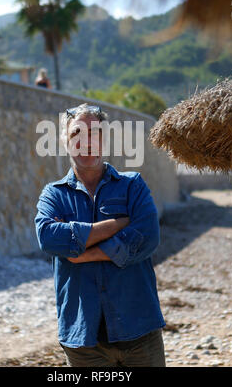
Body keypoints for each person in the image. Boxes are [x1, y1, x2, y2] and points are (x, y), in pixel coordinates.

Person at [34, 103, 166, 367]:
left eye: (94, 132)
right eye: (76, 134)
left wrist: (84, 253)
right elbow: (48, 237)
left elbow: (147, 236)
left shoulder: (133, 186)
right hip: (83, 342)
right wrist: (117, 224)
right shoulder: (53, 194)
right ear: (65, 141)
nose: (86, 141)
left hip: (140, 331)